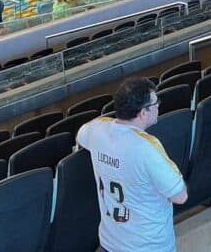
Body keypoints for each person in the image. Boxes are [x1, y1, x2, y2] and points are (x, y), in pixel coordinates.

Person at [77, 77, 188, 252]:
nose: (158, 106)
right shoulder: (147, 147)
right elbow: (180, 196)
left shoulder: (98, 130)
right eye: (155, 103)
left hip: (110, 243)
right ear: (143, 112)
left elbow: (81, 135)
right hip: (148, 246)